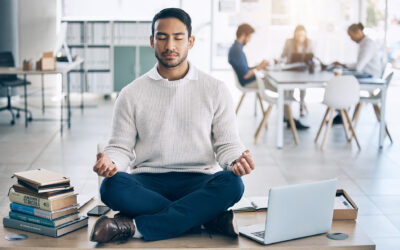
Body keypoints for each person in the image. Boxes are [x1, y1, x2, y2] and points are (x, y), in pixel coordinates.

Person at [90, 8, 255, 243]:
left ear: (191, 41)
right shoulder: (131, 93)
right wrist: (111, 161)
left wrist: (236, 160)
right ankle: (206, 218)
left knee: (232, 184)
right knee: (110, 187)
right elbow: (121, 147)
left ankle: (135, 227)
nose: (170, 46)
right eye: (162, 37)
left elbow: (227, 144)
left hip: (198, 179)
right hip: (147, 181)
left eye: (178, 37)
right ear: (152, 41)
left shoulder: (215, 89)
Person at [228, 23, 309, 130]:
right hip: (248, 82)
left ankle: (287, 117)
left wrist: (258, 66)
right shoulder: (237, 51)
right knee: (284, 90)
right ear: (244, 35)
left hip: (250, 79)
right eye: (250, 37)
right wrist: (259, 67)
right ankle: (290, 119)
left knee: (283, 88)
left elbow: (245, 69)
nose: (250, 40)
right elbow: (246, 75)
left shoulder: (236, 48)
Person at [332, 22, 382, 124]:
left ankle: (342, 113)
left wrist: (344, 65)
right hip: (367, 75)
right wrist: (344, 65)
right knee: (343, 80)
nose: (351, 39)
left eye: (351, 36)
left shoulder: (368, 44)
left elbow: (359, 67)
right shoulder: (364, 43)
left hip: (371, 77)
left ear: (358, 32)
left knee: (342, 82)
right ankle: (342, 113)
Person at [280, 25, 314, 117]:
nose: (300, 37)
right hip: (290, 70)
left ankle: (301, 106)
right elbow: (282, 56)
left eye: (302, 35)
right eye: (298, 35)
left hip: (303, 71)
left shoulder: (309, 42)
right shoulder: (289, 42)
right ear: (294, 35)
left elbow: (312, 57)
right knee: (289, 89)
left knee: (303, 87)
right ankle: (287, 112)